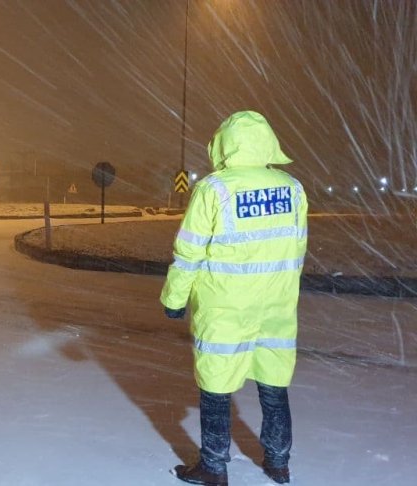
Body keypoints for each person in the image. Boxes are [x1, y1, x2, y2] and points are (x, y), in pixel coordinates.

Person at [161, 111, 307, 486]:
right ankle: (278, 462)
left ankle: (214, 465)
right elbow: (298, 248)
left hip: (225, 308)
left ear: (223, 145)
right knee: (274, 384)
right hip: (276, 307)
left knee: (216, 387)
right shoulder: (291, 188)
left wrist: (175, 298)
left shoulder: (215, 189)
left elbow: (189, 251)